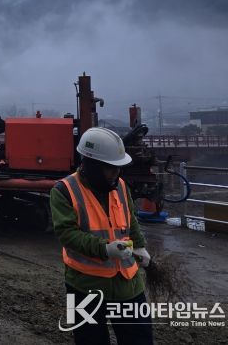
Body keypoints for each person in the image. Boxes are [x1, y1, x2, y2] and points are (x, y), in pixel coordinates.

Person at [50, 127, 153, 345]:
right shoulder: (64, 190)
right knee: (90, 340)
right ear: (92, 165)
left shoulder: (120, 185)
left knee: (139, 339)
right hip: (84, 285)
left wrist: (140, 245)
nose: (116, 173)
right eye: (110, 168)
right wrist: (104, 248)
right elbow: (67, 234)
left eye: (118, 168)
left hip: (127, 283)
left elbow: (130, 218)